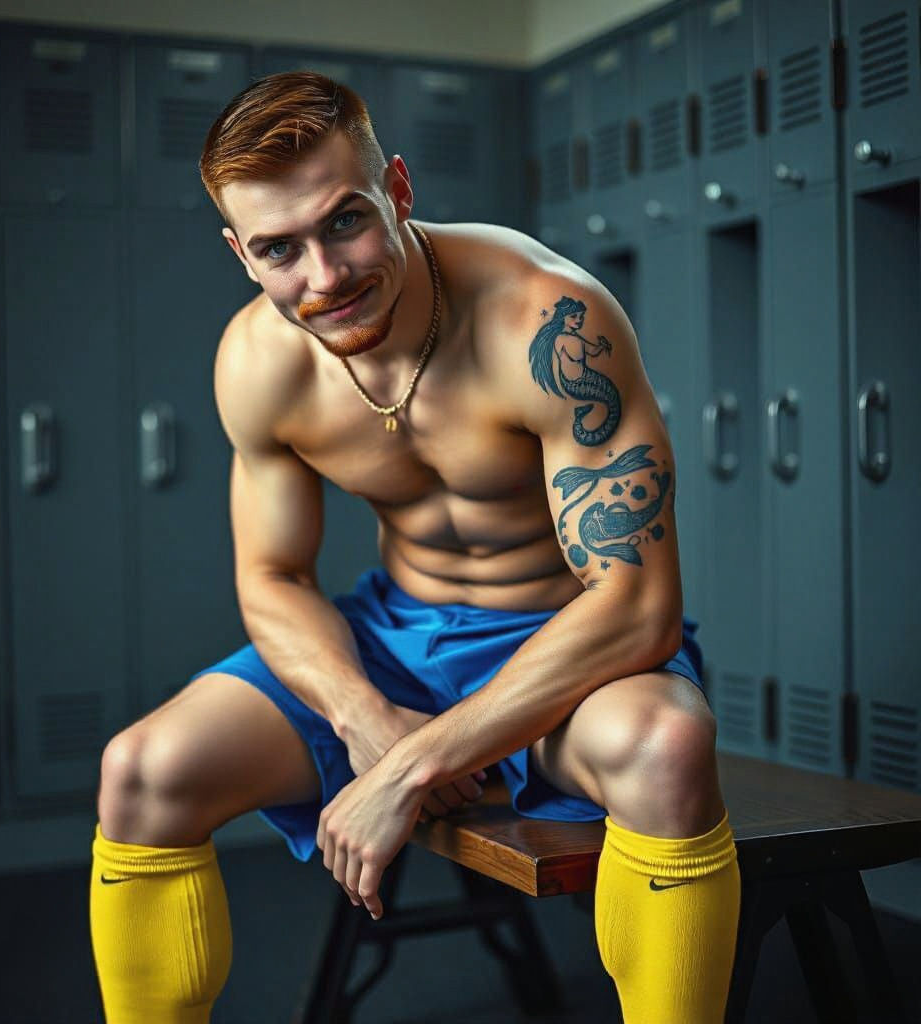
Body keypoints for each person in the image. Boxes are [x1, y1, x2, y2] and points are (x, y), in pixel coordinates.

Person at [89, 70, 740, 1024]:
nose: (325, 277)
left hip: (564, 643)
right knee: (142, 772)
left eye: (345, 221)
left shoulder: (548, 323)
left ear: (397, 189)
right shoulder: (259, 363)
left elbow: (637, 607)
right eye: (279, 249)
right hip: (395, 638)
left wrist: (407, 765)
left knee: (669, 746)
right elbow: (272, 577)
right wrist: (362, 715)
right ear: (240, 253)